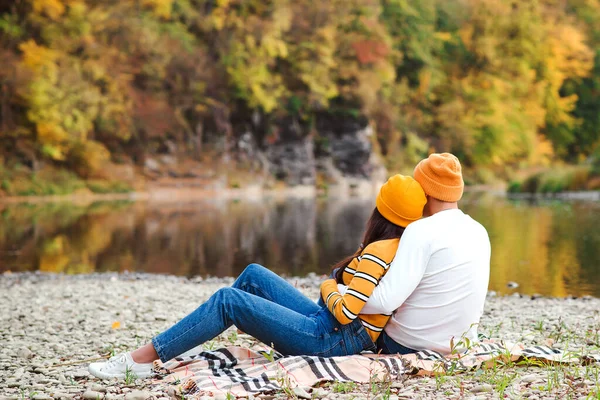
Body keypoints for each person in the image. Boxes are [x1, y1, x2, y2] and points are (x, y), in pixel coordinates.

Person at [88, 174, 427, 379]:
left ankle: (141, 359)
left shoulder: (379, 251)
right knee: (253, 275)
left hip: (334, 339)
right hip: (332, 327)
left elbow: (346, 311)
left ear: (381, 211)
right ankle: (196, 335)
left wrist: (329, 285)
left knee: (227, 300)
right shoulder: (399, 245)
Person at [344, 152, 491, 355]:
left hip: (406, 344)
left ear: (425, 191)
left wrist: (339, 291)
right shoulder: (479, 231)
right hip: (461, 344)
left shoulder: (420, 230)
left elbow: (385, 301)